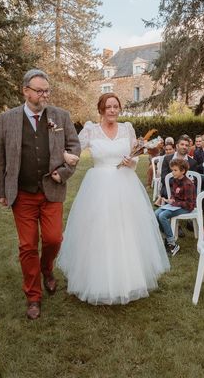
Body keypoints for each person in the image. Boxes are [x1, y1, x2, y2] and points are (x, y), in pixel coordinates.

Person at [59, 93, 170, 303]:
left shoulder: (127, 128)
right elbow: (72, 150)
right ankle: (96, 281)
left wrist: (131, 162)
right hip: (98, 187)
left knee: (126, 230)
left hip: (125, 185)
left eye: (115, 106)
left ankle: (129, 280)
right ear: (101, 109)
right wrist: (64, 156)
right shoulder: (91, 129)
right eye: (108, 107)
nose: (112, 110)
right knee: (99, 232)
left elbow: (135, 157)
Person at [0, 69, 80, 320]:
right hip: (22, 193)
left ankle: (46, 269)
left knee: (53, 239)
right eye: (39, 90)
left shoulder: (61, 116)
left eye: (46, 90)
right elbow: (0, 156)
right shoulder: (7, 119)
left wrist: (62, 173)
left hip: (52, 190)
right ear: (25, 91)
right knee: (28, 245)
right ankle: (33, 296)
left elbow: (74, 148)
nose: (44, 95)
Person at [154, 158, 196, 256]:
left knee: (162, 216)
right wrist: (171, 199)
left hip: (186, 208)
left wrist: (174, 203)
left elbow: (189, 204)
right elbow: (174, 194)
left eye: (175, 170)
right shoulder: (175, 180)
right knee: (156, 214)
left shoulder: (188, 184)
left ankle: (172, 244)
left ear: (183, 171)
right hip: (175, 205)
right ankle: (167, 238)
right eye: (172, 170)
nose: (172, 172)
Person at [159, 135, 197, 200]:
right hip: (170, 187)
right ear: (177, 146)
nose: (184, 147)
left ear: (188, 148)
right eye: (182, 144)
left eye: (186, 145)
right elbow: (163, 179)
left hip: (187, 189)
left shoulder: (192, 162)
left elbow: (195, 180)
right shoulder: (167, 159)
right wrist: (180, 183)